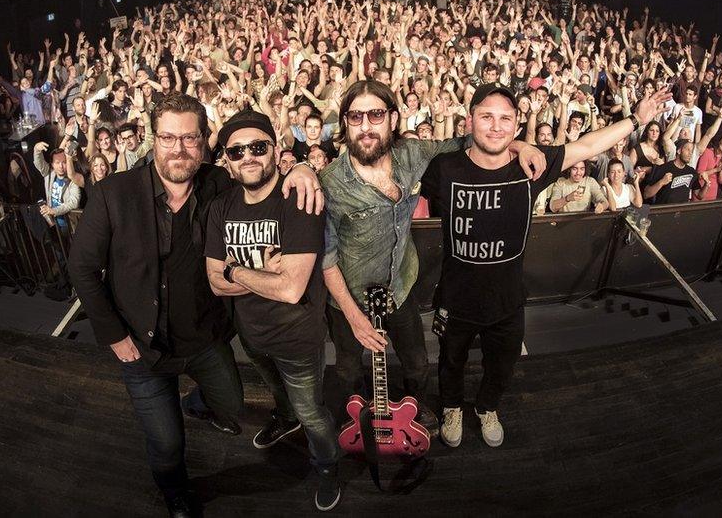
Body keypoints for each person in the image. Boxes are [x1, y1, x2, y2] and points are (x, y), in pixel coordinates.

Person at [67, 94, 322, 517]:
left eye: (189, 138)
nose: (178, 149)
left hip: (204, 337)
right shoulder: (114, 194)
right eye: (168, 138)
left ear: (204, 142)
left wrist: (299, 168)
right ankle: (176, 494)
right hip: (140, 346)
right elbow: (81, 269)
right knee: (167, 443)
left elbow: (263, 172)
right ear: (153, 139)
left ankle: (194, 403)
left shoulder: (218, 183)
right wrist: (113, 335)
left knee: (233, 406)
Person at [420, 82, 672, 448]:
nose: (495, 126)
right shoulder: (443, 168)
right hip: (456, 299)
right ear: (469, 119)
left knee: (502, 366)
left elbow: (587, 146)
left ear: (518, 123)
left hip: (507, 301)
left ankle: (487, 407)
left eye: (505, 119)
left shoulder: (532, 167)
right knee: (451, 362)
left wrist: (635, 119)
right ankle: (452, 407)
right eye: (486, 116)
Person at [318, 80, 546, 433]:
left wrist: (520, 143)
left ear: (392, 119)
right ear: (345, 123)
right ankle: (356, 412)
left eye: (375, 114)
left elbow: (472, 140)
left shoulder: (413, 155)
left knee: (418, 365)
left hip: (400, 287)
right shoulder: (329, 183)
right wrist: (354, 316)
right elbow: (326, 259)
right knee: (347, 368)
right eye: (355, 116)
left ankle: (415, 408)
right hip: (350, 299)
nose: (365, 126)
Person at [205, 110, 342, 512]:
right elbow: (214, 282)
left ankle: (328, 465)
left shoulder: (298, 199)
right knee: (278, 395)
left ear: (276, 151)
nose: (248, 156)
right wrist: (258, 271)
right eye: (237, 150)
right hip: (252, 334)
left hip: (298, 339)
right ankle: (284, 420)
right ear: (227, 162)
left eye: (258, 147)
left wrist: (233, 268)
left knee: (311, 412)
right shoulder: (220, 206)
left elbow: (290, 288)